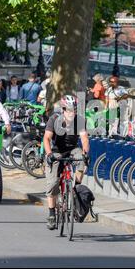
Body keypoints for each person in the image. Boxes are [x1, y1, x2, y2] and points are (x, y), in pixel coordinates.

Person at [43, 95, 90, 230]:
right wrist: (49, 154)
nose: (71, 112)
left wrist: (85, 154)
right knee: (52, 183)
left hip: (72, 149)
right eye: (68, 109)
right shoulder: (54, 119)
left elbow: (85, 139)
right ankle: (52, 214)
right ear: (63, 109)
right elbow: (46, 138)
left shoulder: (80, 120)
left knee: (81, 161)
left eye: (73, 109)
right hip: (56, 150)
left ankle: (75, 190)